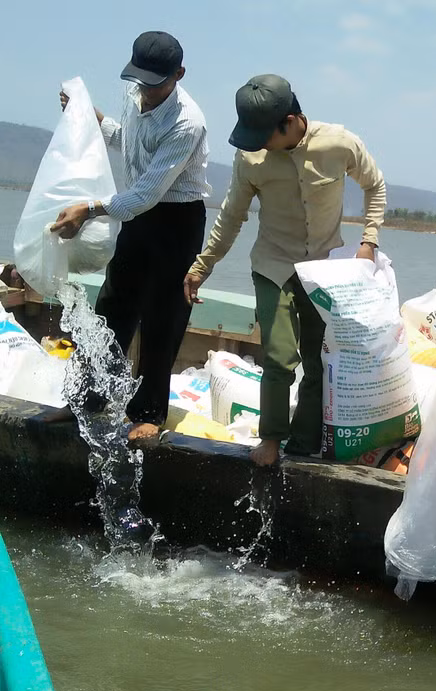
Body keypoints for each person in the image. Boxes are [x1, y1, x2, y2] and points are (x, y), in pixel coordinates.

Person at [183, 74, 386, 467]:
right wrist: (202, 266)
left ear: (290, 121)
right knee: (278, 357)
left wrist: (368, 242)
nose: (258, 143)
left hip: (324, 269)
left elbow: (375, 186)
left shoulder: (339, 143)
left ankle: (304, 444)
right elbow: (231, 218)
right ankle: (272, 439)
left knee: (319, 359)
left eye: (264, 135)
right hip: (273, 265)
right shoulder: (252, 158)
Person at [48, 30, 210, 441]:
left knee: (163, 316)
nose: (147, 92)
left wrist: (89, 210)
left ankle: (149, 414)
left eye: (157, 84)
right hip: (139, 214)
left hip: (177, 219)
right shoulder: (135, 95)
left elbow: (148, 191)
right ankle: (87, 399)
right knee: (112, 305)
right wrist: (94, 119)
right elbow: (130, 143)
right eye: (141, 81)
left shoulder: (187, 122)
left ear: (179, 74)